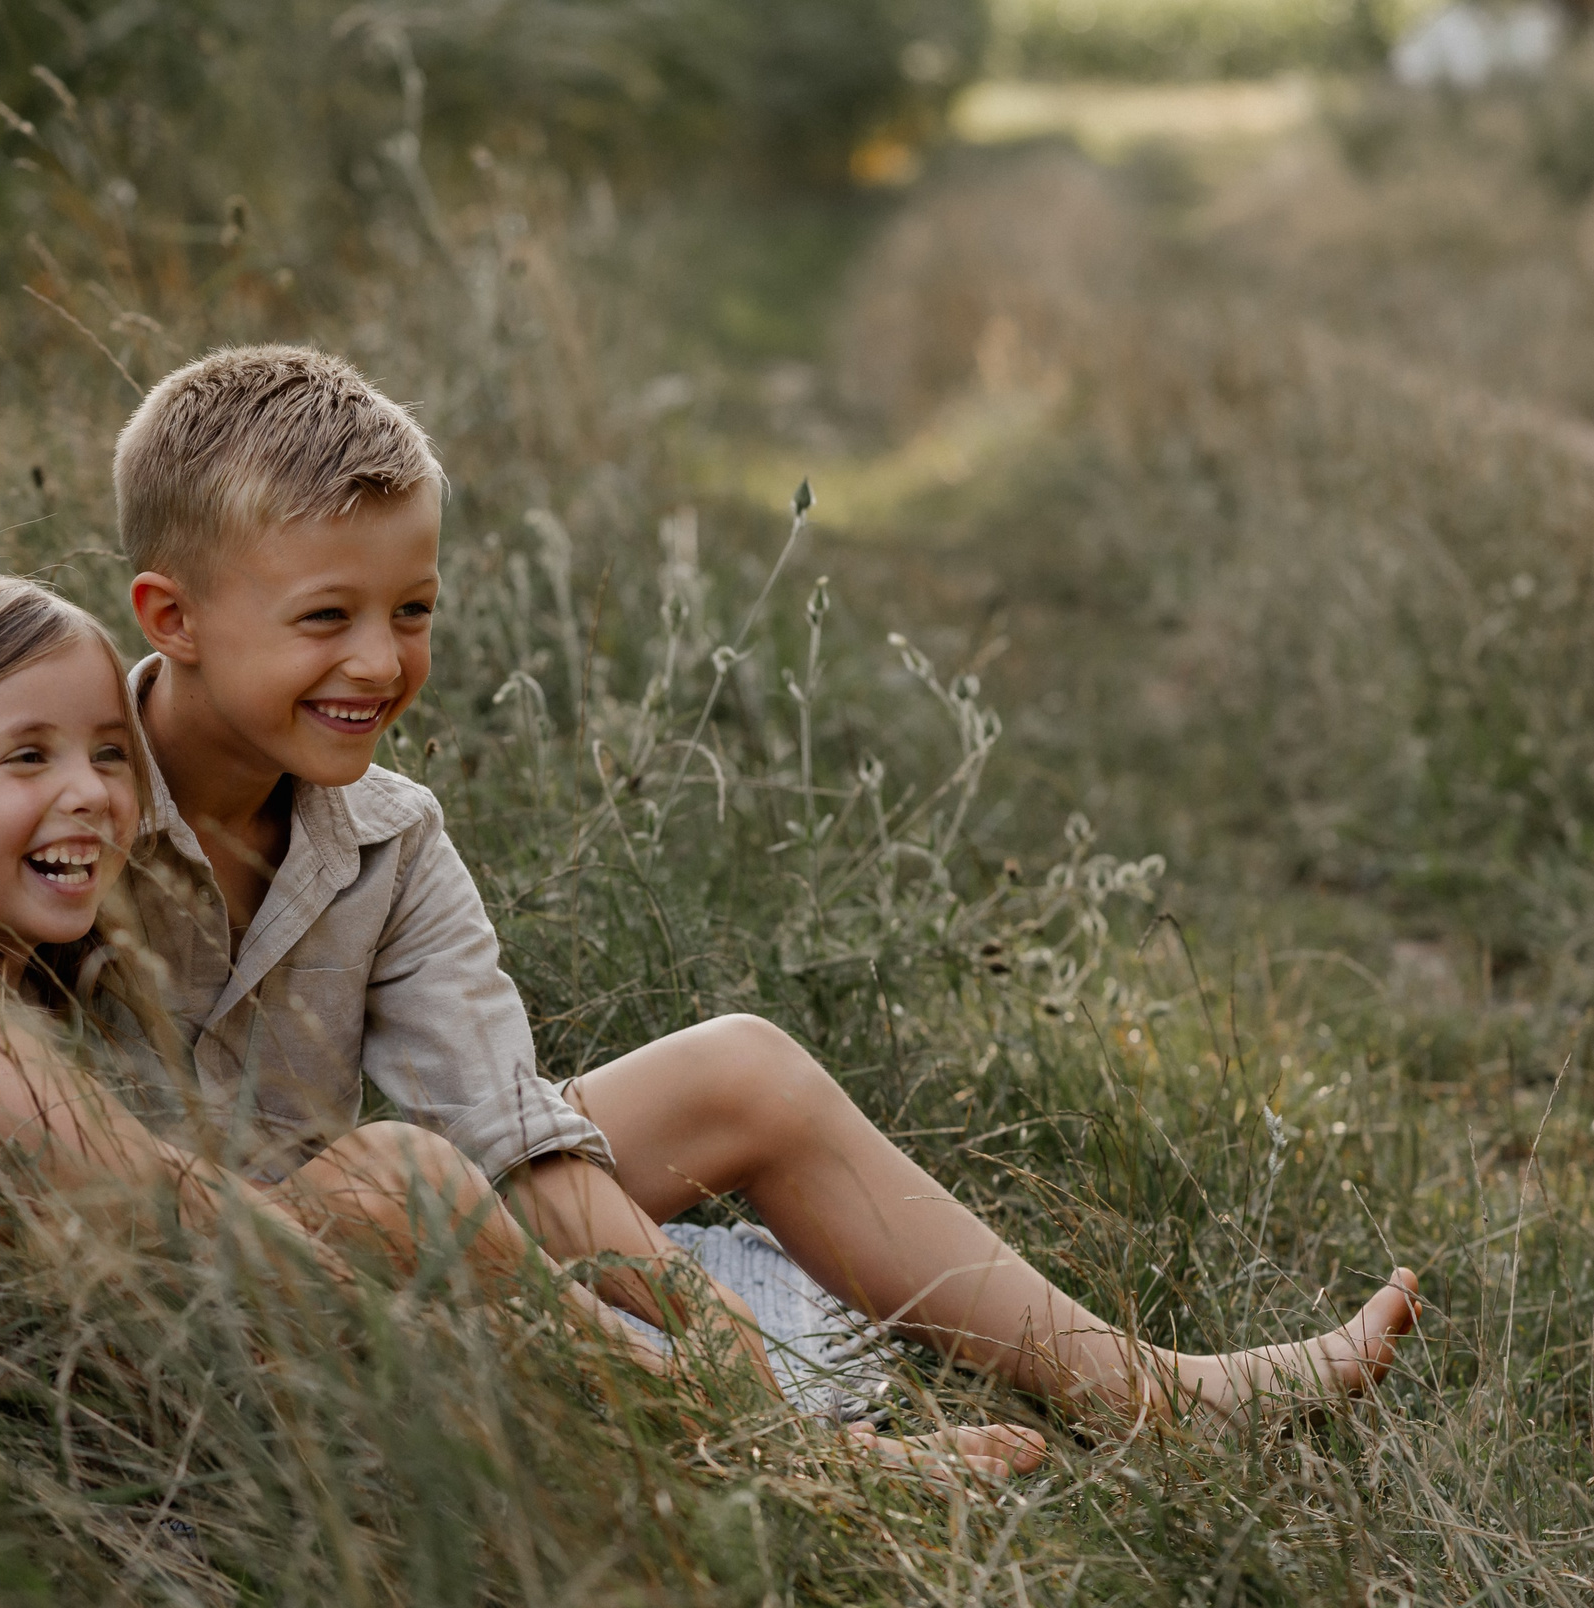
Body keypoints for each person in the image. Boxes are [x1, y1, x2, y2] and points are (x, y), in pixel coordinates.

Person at [97, 344, 1420, 1433]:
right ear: (174, 618)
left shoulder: (387, 834)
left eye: (416, 610)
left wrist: (724, 1346)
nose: (381, 661)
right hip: (138, 1268)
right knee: (398, 1191)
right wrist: (745, 1401)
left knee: (739, 1066)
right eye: (326, 618)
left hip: (356, 1230)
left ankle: (1139, 1391)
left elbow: (514, 1140)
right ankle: (782, 1455)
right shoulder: (52, 799)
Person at [0, 570, 1025, 1475]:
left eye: (105, 753)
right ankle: (795, 1469)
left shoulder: (19, 955)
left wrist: (439, 1254)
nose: (91, 792)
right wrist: (445, 1293)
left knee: (412, 1184)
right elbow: (141, 1191)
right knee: (396, 1191)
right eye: (26, 758)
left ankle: (811, 1435)